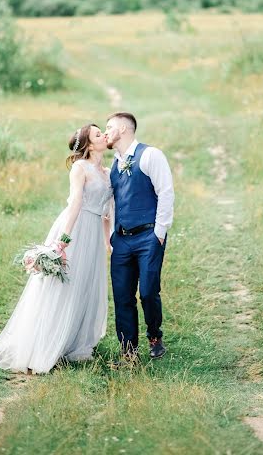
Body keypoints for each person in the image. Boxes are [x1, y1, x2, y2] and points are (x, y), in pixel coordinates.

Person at [0, 124, 112, 374]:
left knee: (85, 284)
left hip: (94, 233)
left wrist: (107, 240)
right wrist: (63, 241)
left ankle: (74, 342)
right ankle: (45, 343)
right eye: (97, 134)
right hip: (76, 227)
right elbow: (75, 204)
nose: (104, 135)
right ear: (89, 145)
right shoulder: (80, 168)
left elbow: (106, 212)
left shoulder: (106, 171)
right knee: (64, 285)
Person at [105, 112, 174, 364]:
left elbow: (165, 192)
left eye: (109, 127)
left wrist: (159, 231)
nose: (106, 131)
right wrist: (113, 236)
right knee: (122, 296)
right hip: (121, 239)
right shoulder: (113, 163)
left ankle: (155, 336)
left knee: (147, 292)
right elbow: (112, 202)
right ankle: (128, 351)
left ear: (124, 128)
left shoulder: (150, 155)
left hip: (148, 236)